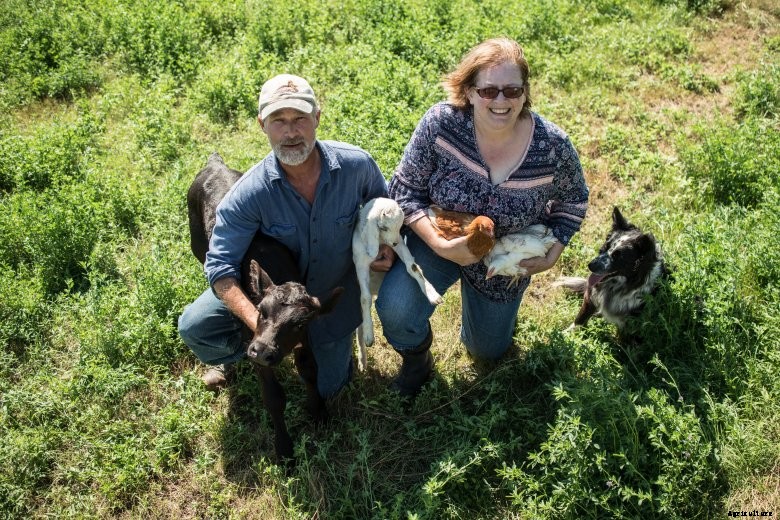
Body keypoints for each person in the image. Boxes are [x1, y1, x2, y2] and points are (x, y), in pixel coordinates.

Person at [376, 38, 589, 396]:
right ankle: (417, 359)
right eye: (489, 90)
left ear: (525, 92)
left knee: (487, 351)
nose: (501, 100)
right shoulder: (441, 124)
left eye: (512, 90)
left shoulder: (552, 146)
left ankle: (482, 321)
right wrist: (439, 245)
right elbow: (404, 190)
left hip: (504, 255)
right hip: (438, 236)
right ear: (469, 92)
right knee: (397, 310)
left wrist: (555, 251)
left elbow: (574, 199)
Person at [178, 74, 393, 396]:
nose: (291, 132)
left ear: (317, 118)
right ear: (262, 124)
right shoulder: (248, 194)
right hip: (273, 302)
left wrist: (384, 245)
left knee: (330, 389)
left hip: (332, 301)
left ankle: (333, 343)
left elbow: (384, 207)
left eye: (300, 119)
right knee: (195, 326)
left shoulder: (356, 165)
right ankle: (235, 356)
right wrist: (262, 325)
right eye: (278, 121)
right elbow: (220, 268)